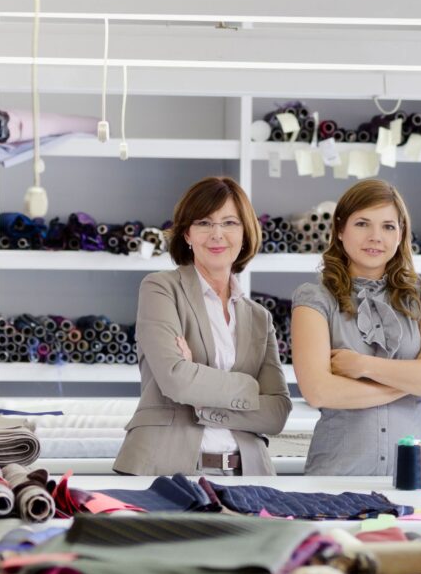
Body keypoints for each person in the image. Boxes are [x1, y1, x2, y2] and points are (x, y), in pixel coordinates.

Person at [114, 176, 292, 476]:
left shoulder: (259, 317)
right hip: (166, 471)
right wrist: (250, 387)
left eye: (229, 223)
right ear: (187, 234)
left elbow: (277, 413)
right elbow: (176, 380)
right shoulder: (161, 289)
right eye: (204, 223)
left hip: (247, 474)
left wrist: (200, 395)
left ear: (245, 233)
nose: (217, 234)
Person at [291, 180, 421, 476]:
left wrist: (363, 366)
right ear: (340, 229)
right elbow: (319, 391)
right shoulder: (315, 299)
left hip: (415, 475)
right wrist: (414, 379)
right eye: (362, 224)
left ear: (400, 234)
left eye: (388, 227)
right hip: (337, 473)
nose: (375, 237)